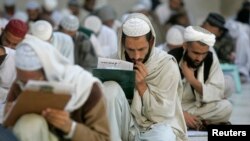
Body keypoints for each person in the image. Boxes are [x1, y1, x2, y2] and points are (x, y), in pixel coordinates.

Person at [5, 34, 110, 141]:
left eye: (34, 81)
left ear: (48, 70)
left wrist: (70, 127)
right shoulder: (20, 84)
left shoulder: (86, 87)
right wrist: (10, 115)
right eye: (23, 81)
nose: (27, 86)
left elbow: (103, 138)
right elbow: (8, 127)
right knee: (29, 123)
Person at [103, 13, 187, 141]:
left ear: (151, 41)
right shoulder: (112, 61)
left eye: (141, 49)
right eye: (130, 49)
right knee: (109, 88)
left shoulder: (166, 65)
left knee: (164, 137)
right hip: (125, 127)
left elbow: (164, 116)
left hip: (155, 127)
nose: (136, 56)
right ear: (122, 43)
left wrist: (142, 86)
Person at [168, 26, 232, 130]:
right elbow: (162, 97)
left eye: (204, 54)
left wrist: (192, 80)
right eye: (196, 53)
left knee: (226, 107)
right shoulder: (171, 59)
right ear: (185, 46)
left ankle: (193, 123)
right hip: (176, 107)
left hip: (197, 106)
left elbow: (217, 91)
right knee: (159, 115)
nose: (199, 58)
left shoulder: (210, 59)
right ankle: (201, 123)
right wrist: (181, 113)